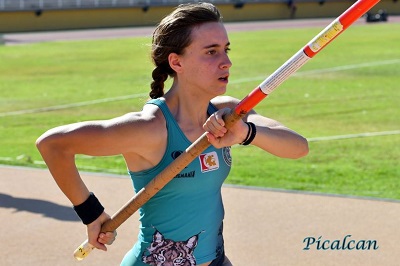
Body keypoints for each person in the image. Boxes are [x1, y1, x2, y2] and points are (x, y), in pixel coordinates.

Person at [36, 2, 309, 265]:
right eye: (211, 52)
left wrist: (246, 133)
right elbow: (52, 144)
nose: (227, 62)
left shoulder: (228, 112)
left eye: (226, 49)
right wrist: (91, 213)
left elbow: (298, 147)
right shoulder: (150, 128)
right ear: (177, 63)